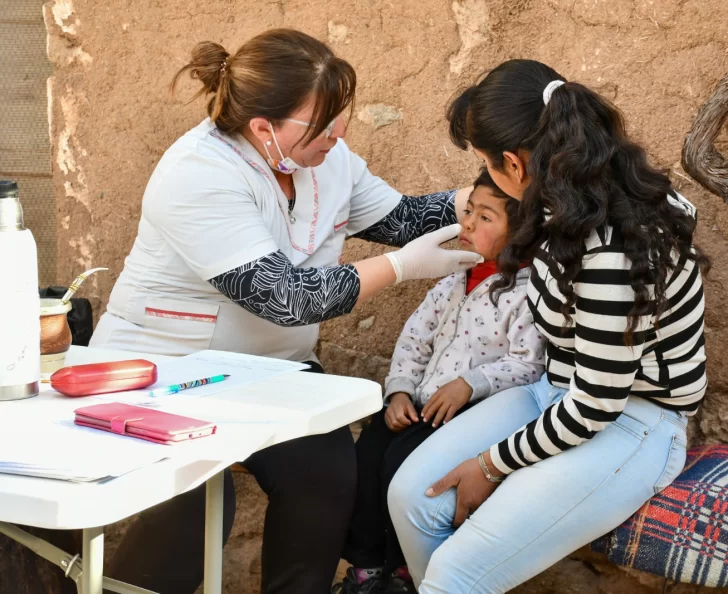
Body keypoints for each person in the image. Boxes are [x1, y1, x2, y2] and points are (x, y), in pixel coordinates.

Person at [90, 29, 481, 594]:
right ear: (262, 129)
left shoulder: (326, 158)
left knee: (324, 475)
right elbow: (286, 298)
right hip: (169, 371)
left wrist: (479, 198)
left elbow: (398, 220)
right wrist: (398, 269)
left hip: (273, 373)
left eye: (339, 117)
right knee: (196, 506)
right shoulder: (197, 174)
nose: (337, 134)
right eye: (322, 124)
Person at [387, 59, 710, 594]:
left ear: (514, 164)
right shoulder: (572, 197)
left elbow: (598, 403)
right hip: (554, 391)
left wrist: (491, 465)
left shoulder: (611, 245)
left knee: (454, 574)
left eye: (486, 165)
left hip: (632, 419)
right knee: (412, 499)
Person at [333, 168, 545, 594]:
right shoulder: (452, 282)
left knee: (403, 470)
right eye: (469, 212)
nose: (467, 224)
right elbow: (414, 341)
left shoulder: (531, 294)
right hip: (419, 404)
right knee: (368, 454)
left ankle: (406, 572)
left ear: (522, 232)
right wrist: (398, 392)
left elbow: (530, 364)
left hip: (465, 416)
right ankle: (365, 570)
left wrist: (472, 382)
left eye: (485, 218)